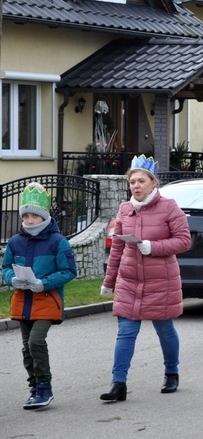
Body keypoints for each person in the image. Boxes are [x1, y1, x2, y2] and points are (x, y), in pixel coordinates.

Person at [99, 155, 192, 402]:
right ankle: (118, 384)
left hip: (160, 281)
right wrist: (109, 281)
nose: (136, 186)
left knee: (164, 329)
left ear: (153, 183)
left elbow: (184, 241)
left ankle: (171, 373)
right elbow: (117, 248)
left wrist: (153, 247)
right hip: (130, 281)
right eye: (132, 182)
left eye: (141, 181)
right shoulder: (124, 210)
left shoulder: (169, 207)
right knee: (126, 331)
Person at [2, 183, 78, 410]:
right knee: (26, 347)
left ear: (44, 216)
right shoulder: (15, 242)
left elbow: (69, 271)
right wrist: (11, 278)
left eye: (35, 215)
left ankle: (45, 386)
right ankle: (34, 388)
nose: (30, 220)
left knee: (36, 342)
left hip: (47, 299)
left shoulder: (58, 241)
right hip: (23, 301)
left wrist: (43, 283)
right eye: (26, 216)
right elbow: (5, 267)